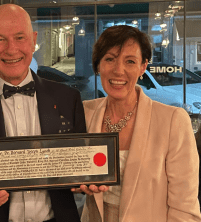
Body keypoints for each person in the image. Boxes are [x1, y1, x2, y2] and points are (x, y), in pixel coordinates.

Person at [0, 4, 105, 222]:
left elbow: (78, 169)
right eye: (0, 39)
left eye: (20, 37)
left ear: (33, 40)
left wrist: (88, 180)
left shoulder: (68, 98)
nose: (11, 49)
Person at [80, 25, 201, 221]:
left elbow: (185, 208)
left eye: (130, 61)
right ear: (98, 65)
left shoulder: (173, 121)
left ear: (143, 67)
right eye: (109, 59)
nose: (119, 70)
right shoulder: (84, 112)